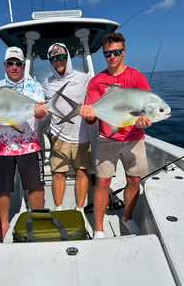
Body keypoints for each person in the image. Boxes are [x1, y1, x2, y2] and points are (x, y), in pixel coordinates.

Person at [79, 32, 152, 239]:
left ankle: (127, 217)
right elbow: (92, 119)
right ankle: (99, 229)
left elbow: (145, 110)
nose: (112, 56)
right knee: (102, 183)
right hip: (107, 139)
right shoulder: (97, 81)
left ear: (124, 51)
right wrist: (88, 115)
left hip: (134, 138)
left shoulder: (136, 77)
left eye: (116, 52)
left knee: (134, 181)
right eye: (107, 53)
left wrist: (144, 120)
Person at [0, 46, 45, 242]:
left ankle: (38, 220)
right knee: (0, 189)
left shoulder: (35, 87)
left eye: (18, 63)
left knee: (35, 186)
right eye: (11, 63)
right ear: (5, 65)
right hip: (2, 147)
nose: (14, 67)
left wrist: (40, 114)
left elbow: (38, 118)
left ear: (24, 65)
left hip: (30, 145)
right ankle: (4, 223)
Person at [41, 43, 92, 219]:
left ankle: (79, 209)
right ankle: (59, 208)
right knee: (58, 174)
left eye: (61, 57)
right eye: (54, 59)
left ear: (68, 57)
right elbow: (39, 107)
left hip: (82, 134)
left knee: (81, 172)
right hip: (58, 135)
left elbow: (95, 100)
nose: (58, 61)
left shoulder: (85, 78)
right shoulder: (46, 84)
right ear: (50, 62)